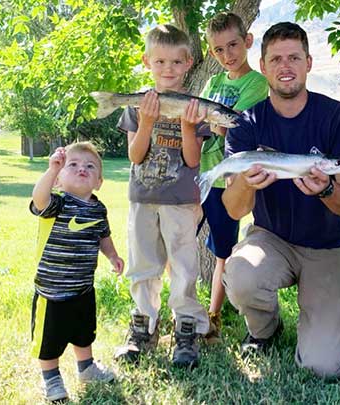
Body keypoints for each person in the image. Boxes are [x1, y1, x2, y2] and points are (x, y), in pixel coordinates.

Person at [221, 22, 340, 378]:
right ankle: (265, 330)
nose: (286, 67)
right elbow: (235, 208)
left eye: (294, 58)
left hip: (330, 245)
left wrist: (327, 190)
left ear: (309, 63)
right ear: (264, 66)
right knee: (240, 275)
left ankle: (318, 319)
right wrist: (247, 184)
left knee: (323, 366)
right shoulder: (246, 125)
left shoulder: (339, 117)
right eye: (276, 59)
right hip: (271, 238)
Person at [115, 24, 210, 368]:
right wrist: (146, 123)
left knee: (184, 267)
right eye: (160, 62)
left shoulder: (195, 107)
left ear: (188, 63)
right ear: (147, 62)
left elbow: (193, 160)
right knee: (143, 263)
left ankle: (187, 326)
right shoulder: (138, 104)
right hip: (142, 198)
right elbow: (135, 155)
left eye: (175, 62)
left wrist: (187, 127)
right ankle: (144, 324)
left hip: (182, 201)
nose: (167, 69)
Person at [30, 142, 125, 402]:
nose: (81, 168)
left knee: (84, 333)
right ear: (59, 179)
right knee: (49, 341)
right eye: (73, 165)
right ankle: (51, 379)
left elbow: (103, 236)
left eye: (90, 166)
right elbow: (38, 198)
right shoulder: (56, 204)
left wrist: (113, 255)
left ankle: (87, 369)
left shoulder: (98, 209)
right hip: (52, 290)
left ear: (99, 181)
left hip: (83, 287)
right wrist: (51, 170)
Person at [198, 11, 269, 343]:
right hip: (201, 174)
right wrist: (211, 121)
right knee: (179, 241)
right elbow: (204, 121)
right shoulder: (213, 82)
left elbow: (236, 123)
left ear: (248, 42)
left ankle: (214, 316)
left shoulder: (257, 83)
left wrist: (213, 120)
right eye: (219, 50)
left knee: (223, 251)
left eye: (233, 45)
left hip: (229, 180)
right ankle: (185, 313)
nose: (227, 55)